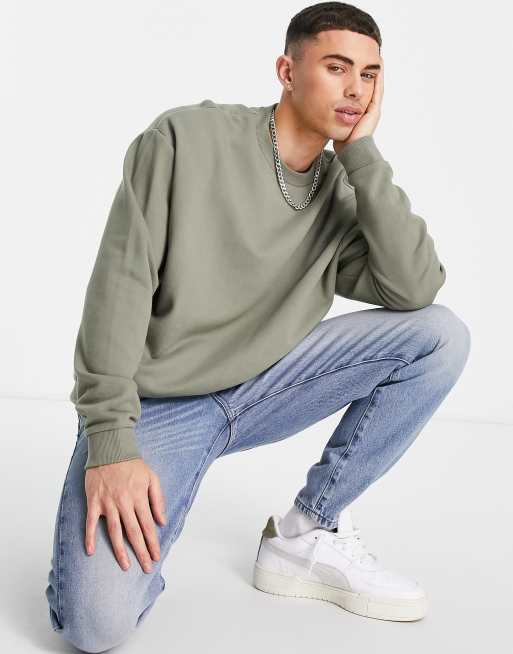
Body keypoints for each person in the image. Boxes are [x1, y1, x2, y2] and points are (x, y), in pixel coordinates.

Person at [45, 1, 470, 650]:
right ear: (286, 70)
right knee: (94, 627)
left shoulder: (343, 190)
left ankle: (308, 531)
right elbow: (119, 286)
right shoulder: (185, 139)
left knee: (439, 336)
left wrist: (361, 154)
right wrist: (111, 441)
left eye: (370, 74)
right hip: (157, 407)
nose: (355, 89)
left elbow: (414, 288)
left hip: (263, 388)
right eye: (336, 67)